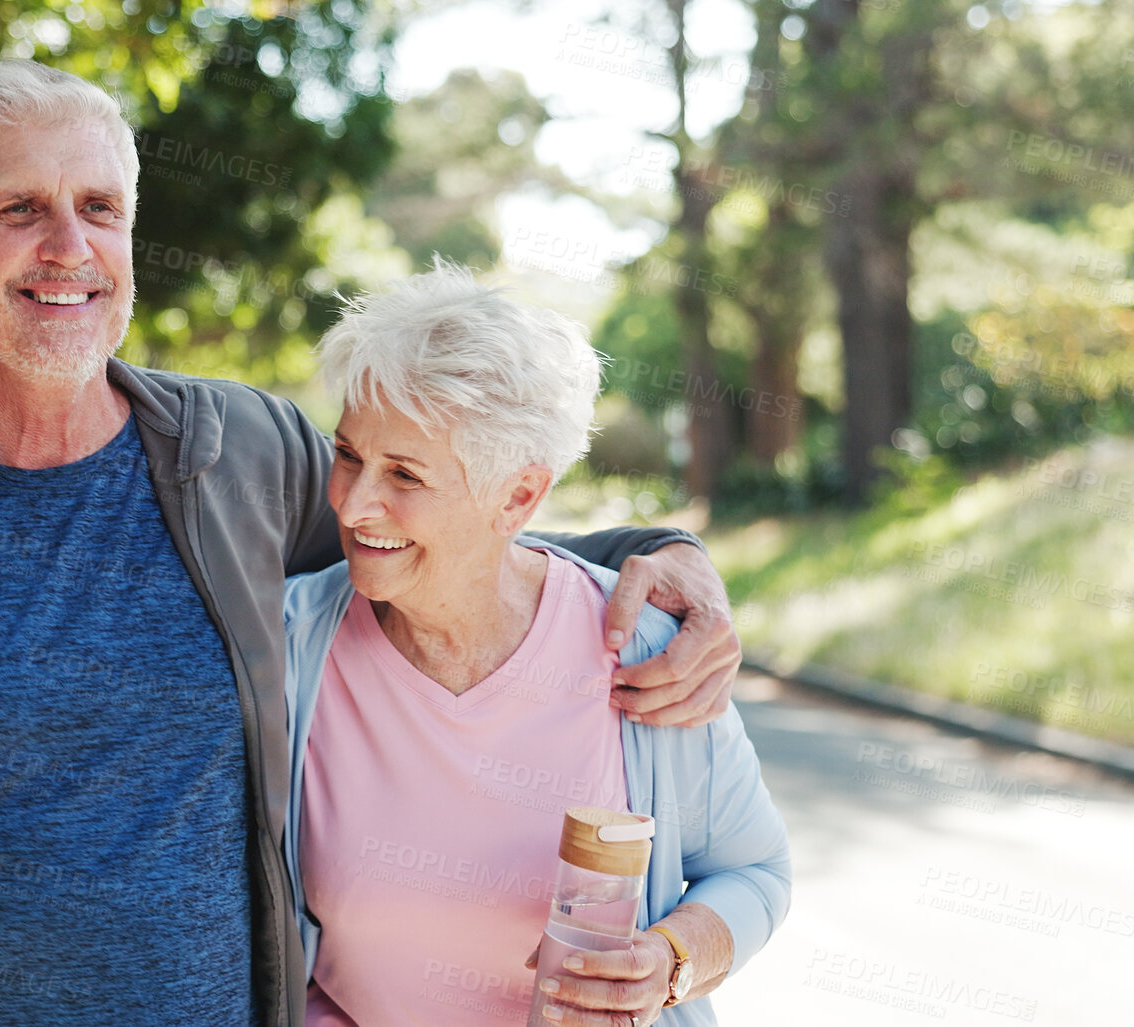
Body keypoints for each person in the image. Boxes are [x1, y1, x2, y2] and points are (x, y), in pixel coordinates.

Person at [0, 60, 746, 1027]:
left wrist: (660, 550)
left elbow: (436, 533)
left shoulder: (241, 451)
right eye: (20, 209)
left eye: (99, 207)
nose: (69, 247)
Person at [282, 263, 792, 1026]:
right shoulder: (286, 645)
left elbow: (754, 870)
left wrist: (667, 961)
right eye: (349, 454)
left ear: (517, 496)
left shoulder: (648, 653)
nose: (353, 505)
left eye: (404, 475)